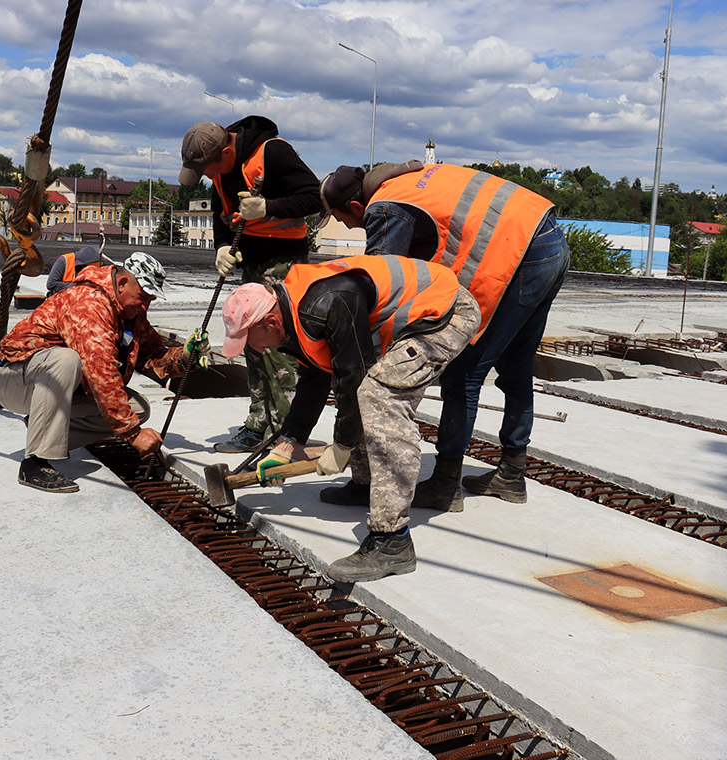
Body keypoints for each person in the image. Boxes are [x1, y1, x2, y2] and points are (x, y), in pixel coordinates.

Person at [316, 160, 569, 511]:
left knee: (463, 373)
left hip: (515, 253)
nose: (352, 227)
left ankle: (446, 485)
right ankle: (511, 472)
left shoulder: (385, 208)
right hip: (548, 237)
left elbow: (382, 282)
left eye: (345, 221)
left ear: (356, 206)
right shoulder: (407, 181)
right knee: (516, 367)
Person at [221, 255, 481, 583]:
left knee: (380, 395)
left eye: (249, 341)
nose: (254, 351)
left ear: (269, 323)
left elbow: (353, 377)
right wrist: (286, 446)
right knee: (363, 392)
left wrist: (342, 445)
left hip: (446, 311)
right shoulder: (295, 313)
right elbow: (316, 377)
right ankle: (367, 484)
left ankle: (392, 541)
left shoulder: (327, 304)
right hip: (425, 311)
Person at [0, 252, 210, 493]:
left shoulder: (130, 312)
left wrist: (184, 356)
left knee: (137, 407)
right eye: (143, 297)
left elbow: (151, 356)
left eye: (151, 300)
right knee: (65, 360)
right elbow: (99, 370)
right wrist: (133, 434)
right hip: (12, 378)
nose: (146, 305)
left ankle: (41, 427)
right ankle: (34, 464)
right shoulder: (90, 302)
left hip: (44, 386)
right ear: (123, 283)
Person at [178, 116, 323, 453]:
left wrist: (268, 207)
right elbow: (220, 211)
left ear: (227, 151)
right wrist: (221, 246)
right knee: (251, 343)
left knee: (277, 345)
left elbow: (314, 197)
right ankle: (259, 425)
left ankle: (286, 433)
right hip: (251, 261)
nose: (210, 177)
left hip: (283, 262)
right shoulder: (219, 169)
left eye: (210, 169)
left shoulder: (273, 153)